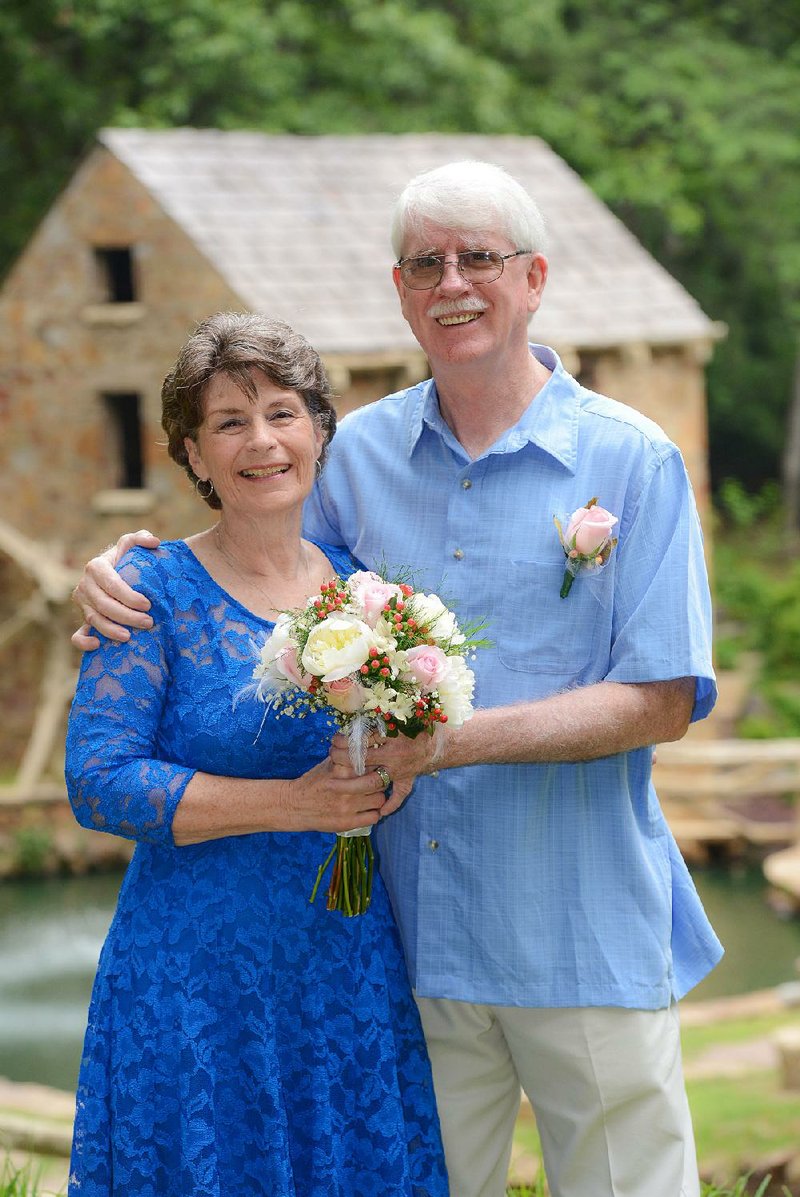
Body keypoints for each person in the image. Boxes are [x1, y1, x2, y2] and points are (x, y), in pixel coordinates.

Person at [71, 162, 722, 1197]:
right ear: (398, 287)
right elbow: (262, 572)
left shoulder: (631, 459)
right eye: (426, 263)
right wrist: (122, 571)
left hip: (578, 925)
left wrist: (449, 742)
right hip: (402, 944)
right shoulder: (356, 457)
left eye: (478, 258)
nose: (451, 282)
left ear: (535, 277)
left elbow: (660, 699)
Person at [64, 311, 448, 1197]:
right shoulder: (147, 591)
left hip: (342, 966)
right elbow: (99, 782)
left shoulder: (368, 592)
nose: (261, 440)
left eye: (282, 412)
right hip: (195, 981)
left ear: (319, 429)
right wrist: (293, 804)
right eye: (229, 422)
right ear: (194, 455)